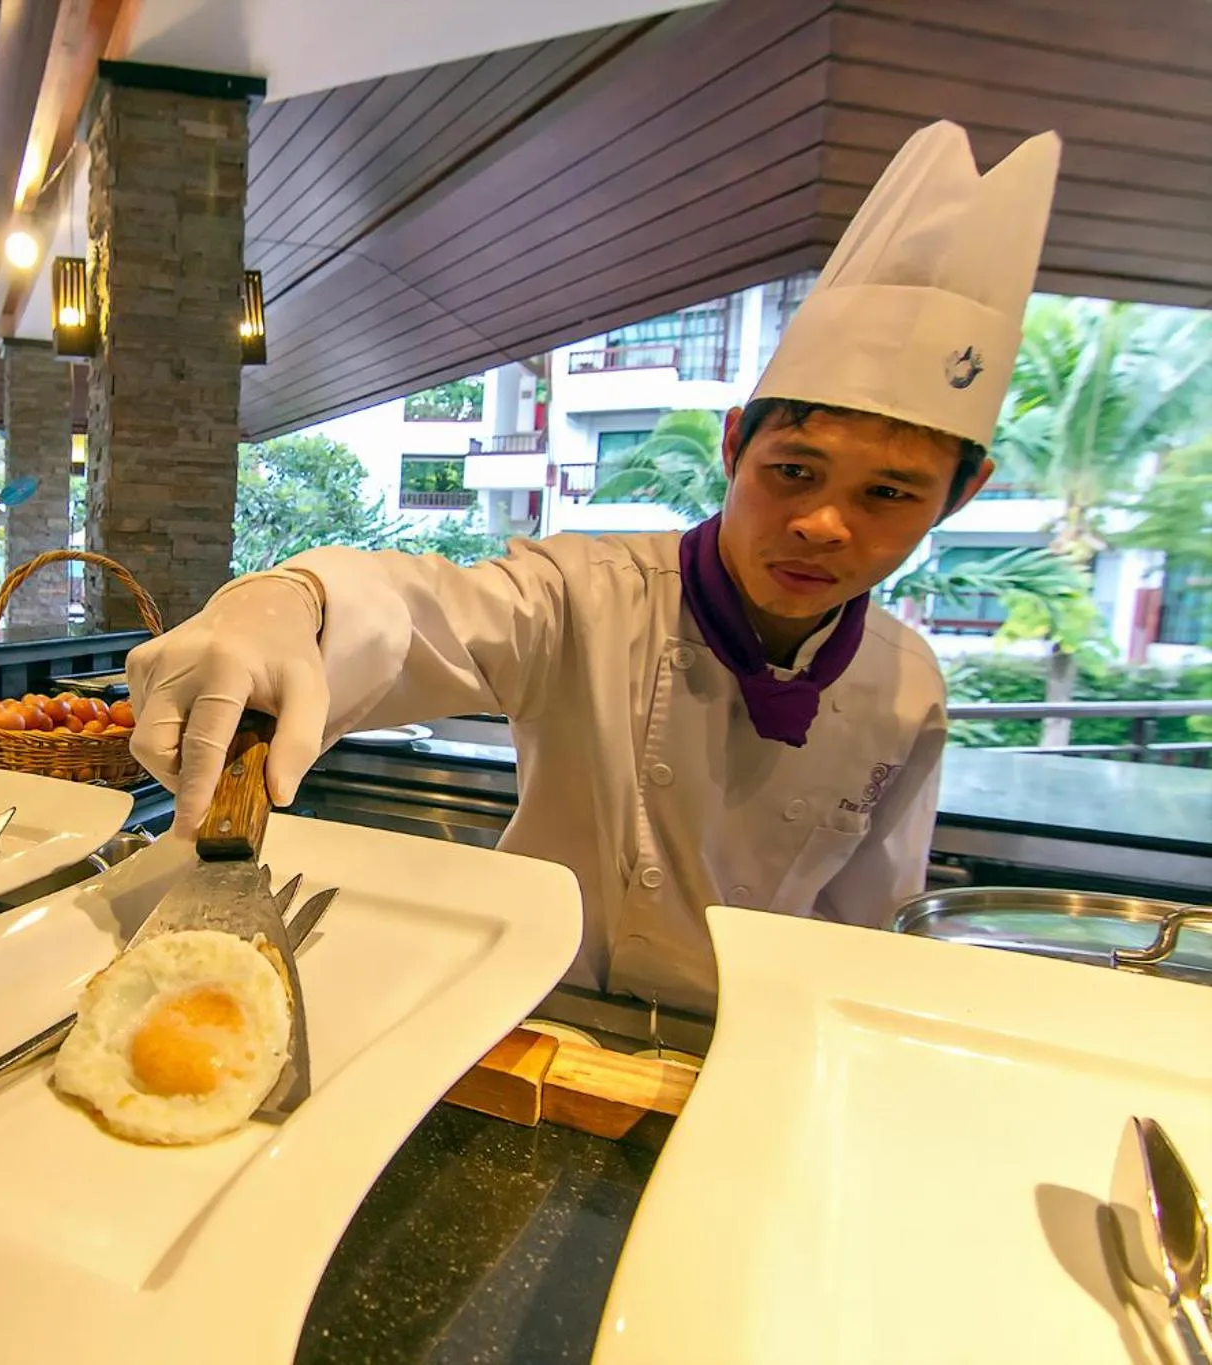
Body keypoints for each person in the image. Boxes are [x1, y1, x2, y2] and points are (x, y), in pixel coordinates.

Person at [126, 120, 1062, 1014]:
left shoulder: (907, 689)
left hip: (744, 1053)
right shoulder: (588, 594)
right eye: (795, 472)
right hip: (528, 1012)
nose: (822, 524)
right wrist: (291, 598)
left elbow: (862, 933)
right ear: (736, 446)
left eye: (888, 495)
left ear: (962, 493)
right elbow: (421, 605)